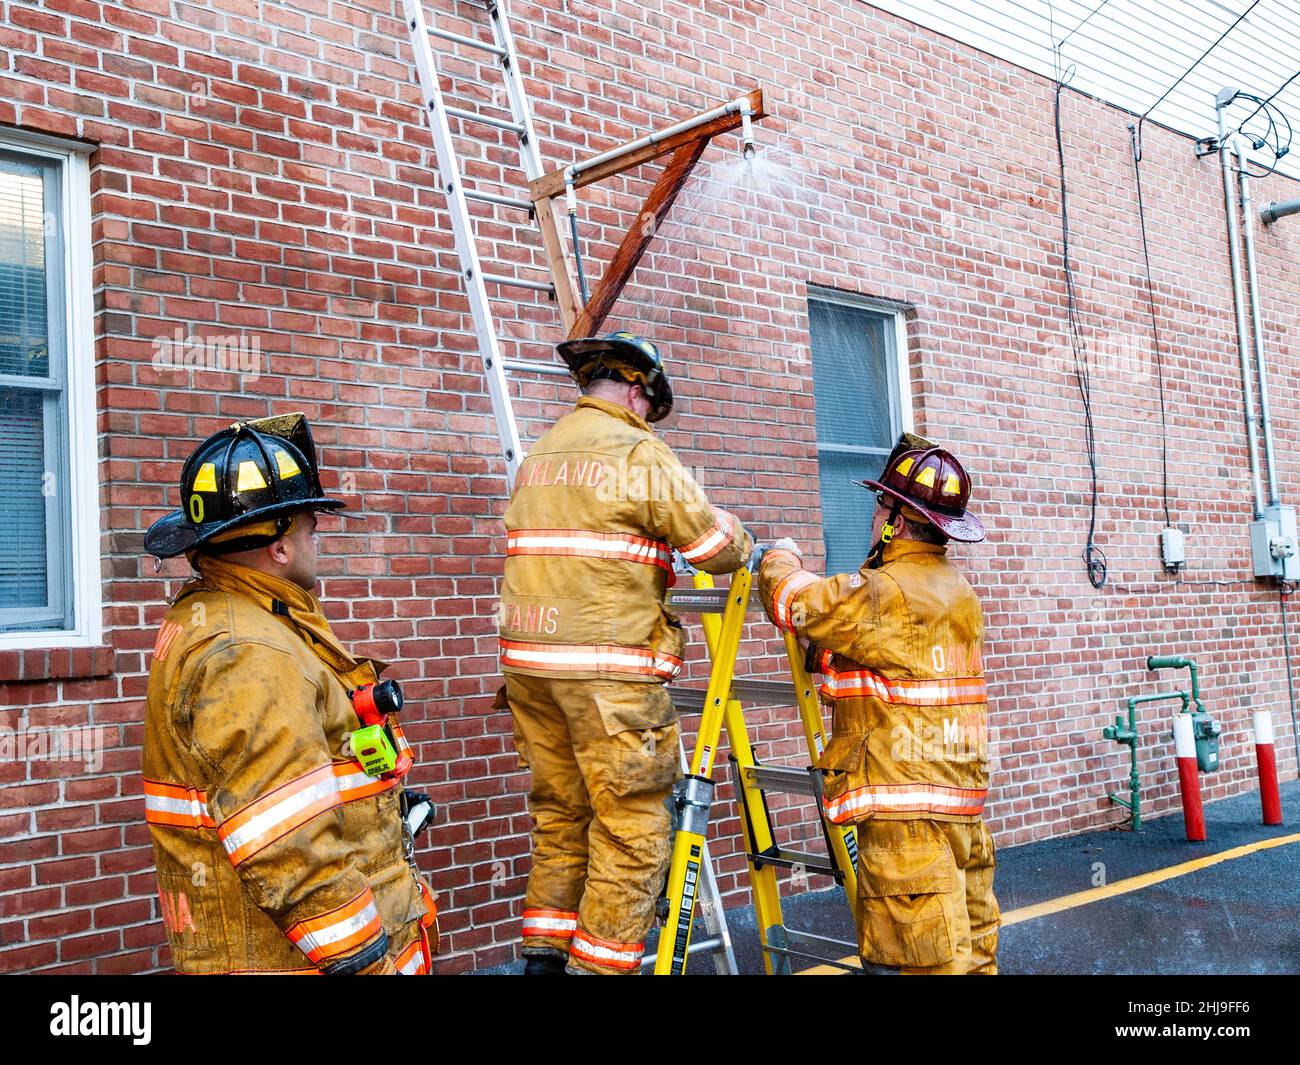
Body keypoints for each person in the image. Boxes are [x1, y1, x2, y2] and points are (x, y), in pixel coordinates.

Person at [142, 413, 437, 974]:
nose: (314, 539)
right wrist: (366, 963)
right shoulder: (249, 652)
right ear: (279, 545)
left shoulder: (237, 617)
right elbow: (287, 844)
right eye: (310, 526)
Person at [501, 330, 752, 974]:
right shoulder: (639, 452)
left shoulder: (541, 453)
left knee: (561, 816)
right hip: (610, 675)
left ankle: (543, 961)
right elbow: (713, 549)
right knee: (633, 826)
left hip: (530, 669)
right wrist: (752, 541)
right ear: (638, 393)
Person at [757, 434, 998, 974]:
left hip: (906, 828)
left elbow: (794, 602)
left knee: (917, 965)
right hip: (961, 816)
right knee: (971, 956)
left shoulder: (883, 591)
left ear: (895, 517)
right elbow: (886, 660)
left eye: (879, 504)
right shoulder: (956, 590)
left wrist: (777, 554)